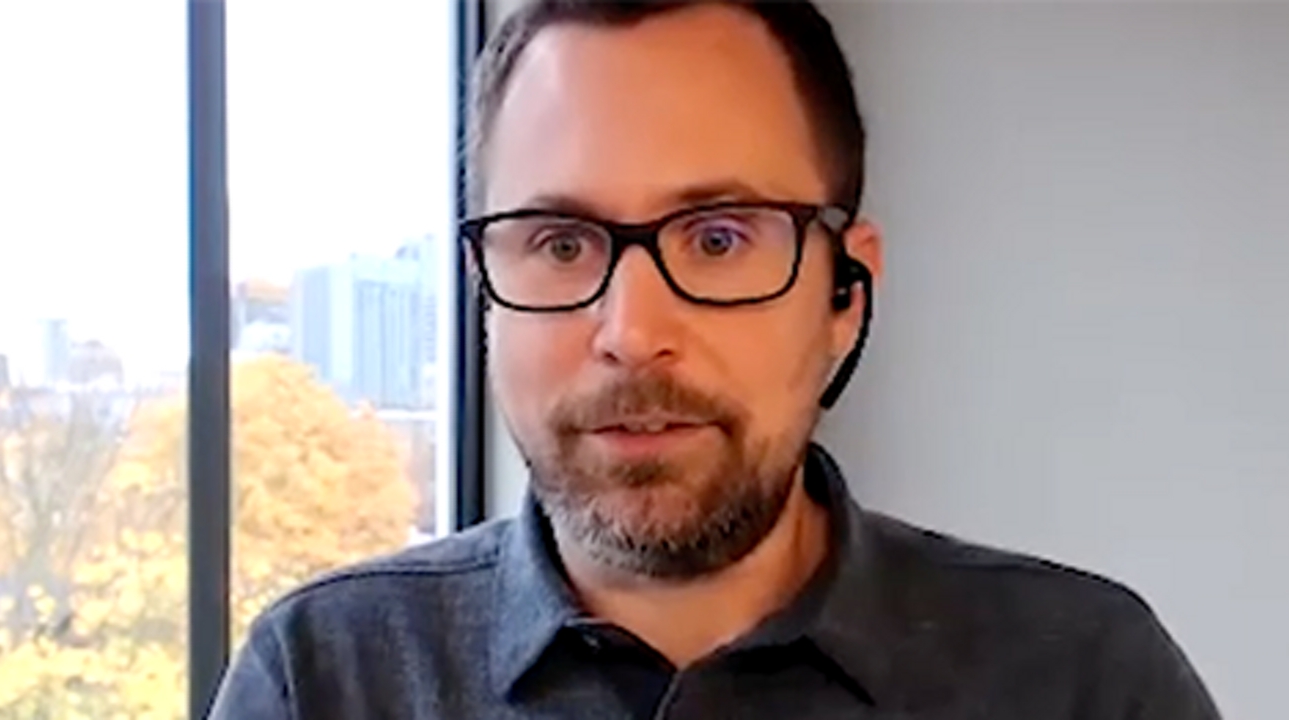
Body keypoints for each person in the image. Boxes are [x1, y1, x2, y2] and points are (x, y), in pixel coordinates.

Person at [208, 1, 1222, 718]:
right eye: (560, 243)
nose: (630, 327)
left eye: (718, 238)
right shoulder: (324, 681)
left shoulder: (1080, 678)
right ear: (483, 291)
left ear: (842, 293)